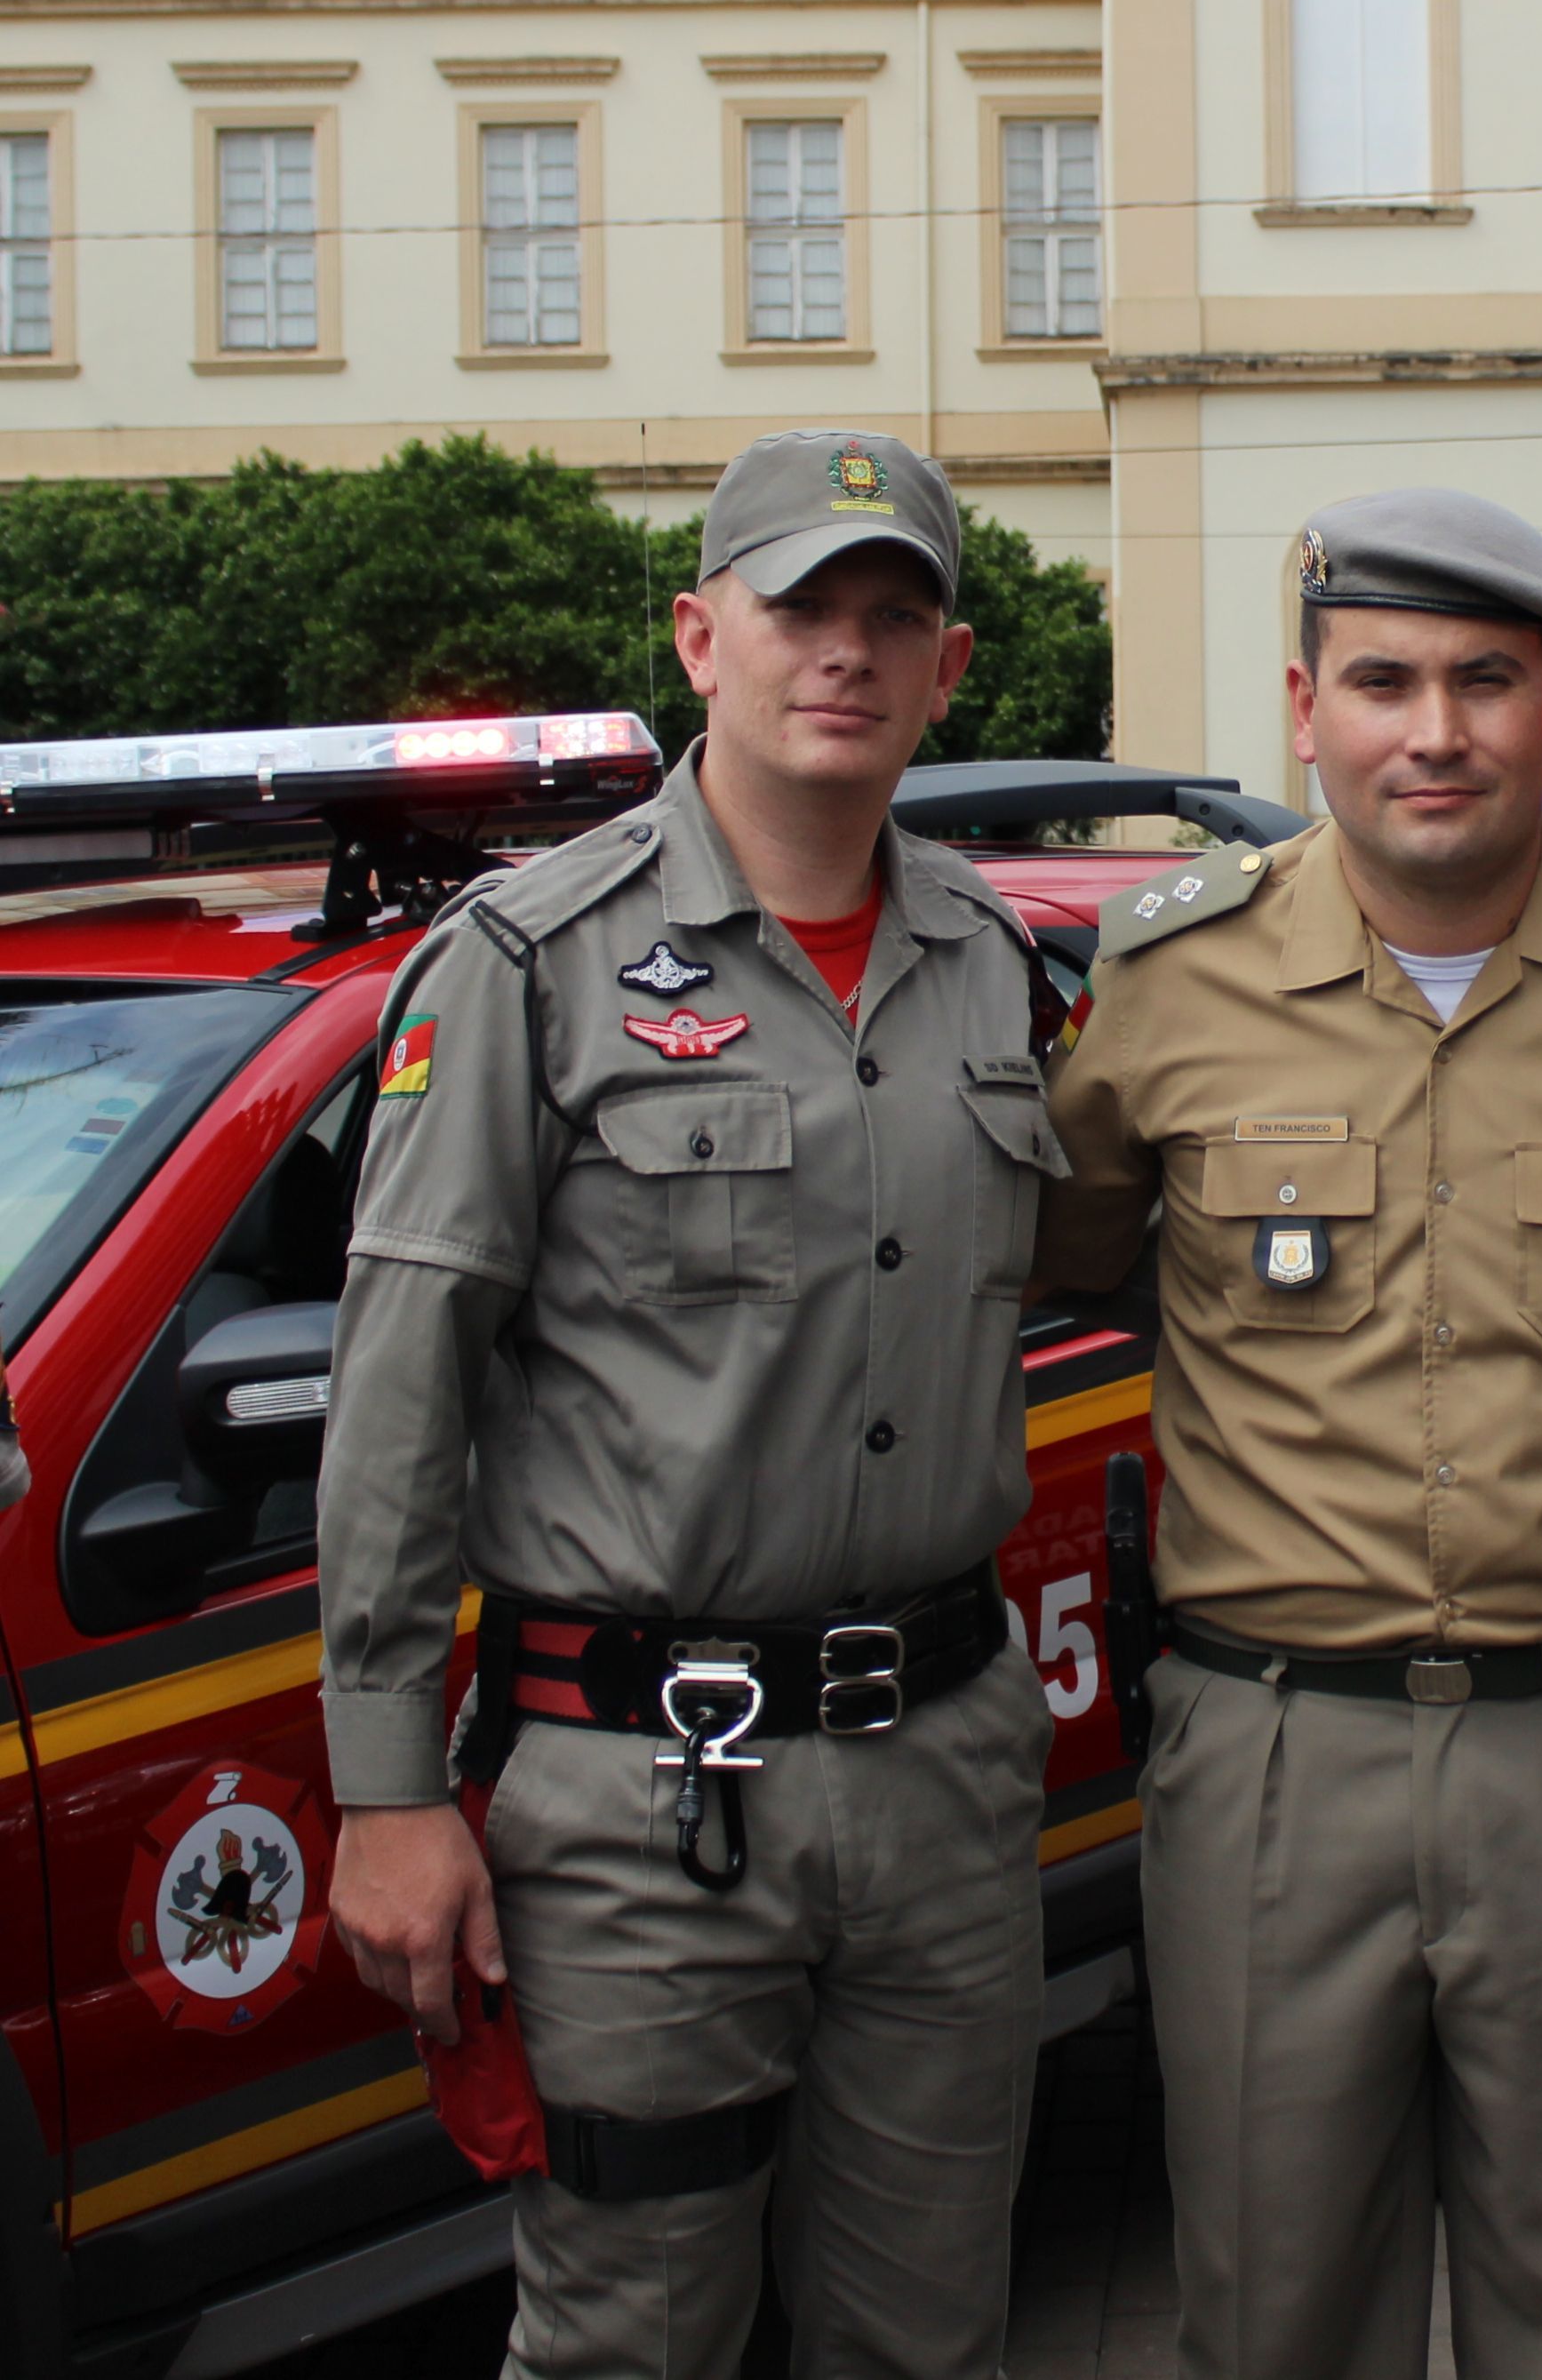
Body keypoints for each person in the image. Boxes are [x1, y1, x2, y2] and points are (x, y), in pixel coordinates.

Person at [320, 429, 1067, 2380]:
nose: (845, 650)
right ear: (699, 633)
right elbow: (403, 1378)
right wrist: (389, 1787)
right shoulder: (530, 963)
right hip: (644, 1799)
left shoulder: (994, 962)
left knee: (928, 2333)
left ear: (949, 669)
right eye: (800, 606)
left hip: (946, 1773)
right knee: (629, 2340)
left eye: (890, 615)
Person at [1033, 489, 1542, 2380]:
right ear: (1305, 706)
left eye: (1484, 682)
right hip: (1276, 1755)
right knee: (1271, 2318)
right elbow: (1074, 1252)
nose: (1434, 730)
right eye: (1385, 681)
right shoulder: (1167, 983)